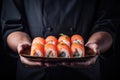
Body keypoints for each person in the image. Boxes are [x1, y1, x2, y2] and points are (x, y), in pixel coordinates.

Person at [1, 0, 117, 80]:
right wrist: (23, 46)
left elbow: (106, 24)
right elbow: (12, 25)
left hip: (84, 74)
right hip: (33, 74)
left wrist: (95, 45)